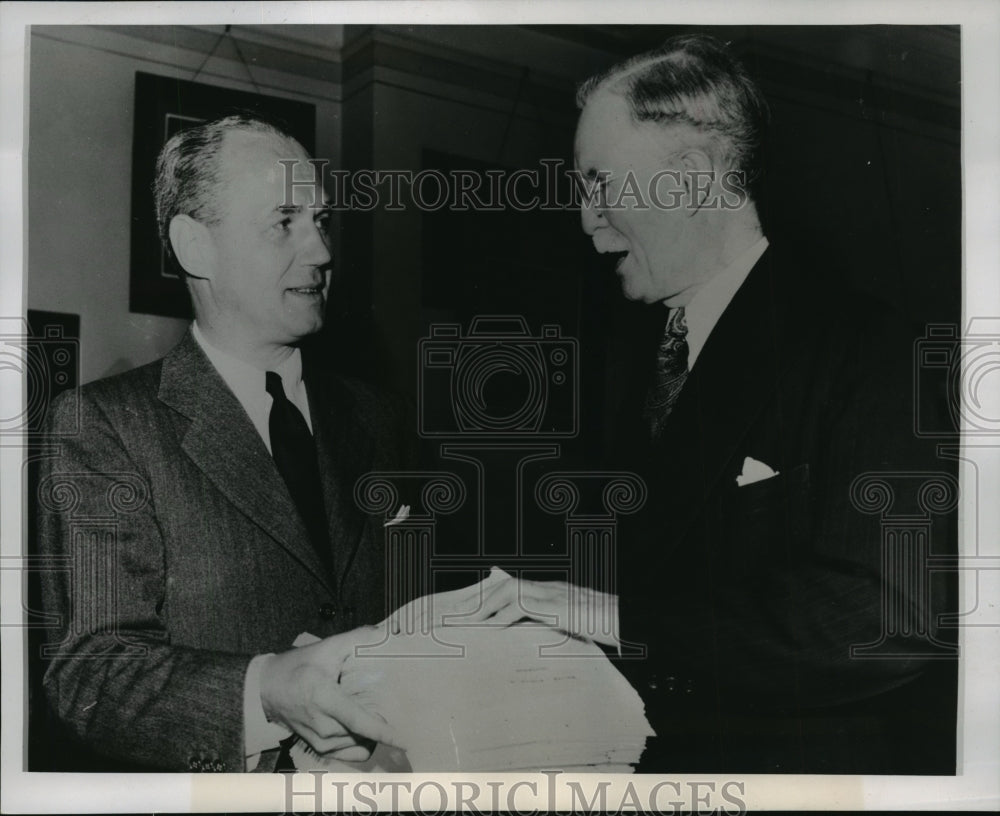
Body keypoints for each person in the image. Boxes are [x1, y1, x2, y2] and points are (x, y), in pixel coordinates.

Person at [474, 35, 957, 773]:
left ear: (691, 177)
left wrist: (615, 619)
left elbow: (888, 618)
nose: (586, 218)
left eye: (601, 183)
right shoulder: (630, 359)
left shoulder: (867, 348)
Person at [37, 114, 410, 772]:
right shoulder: (104, 427)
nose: (321, 251)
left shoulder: (376, 415)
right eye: (284, 222)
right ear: (194, 248)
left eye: (321, 221)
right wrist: (266, 691)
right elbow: (93, 677)